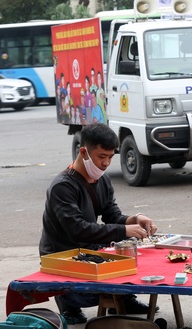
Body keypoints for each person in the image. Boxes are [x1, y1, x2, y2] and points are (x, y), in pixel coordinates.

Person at [39, 123, 158, 324]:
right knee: (92, 292)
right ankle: (69, 304)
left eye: (110, 157)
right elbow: (78, 230)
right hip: (62, 255)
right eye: (101, 157)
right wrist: (124, 230)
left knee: (134, 259)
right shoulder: (62, 187)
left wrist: (135, 219)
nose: (106, 163)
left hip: (89, 250)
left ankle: (123, 298)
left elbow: (112, 215)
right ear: (83, 152)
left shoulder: (102, 180)